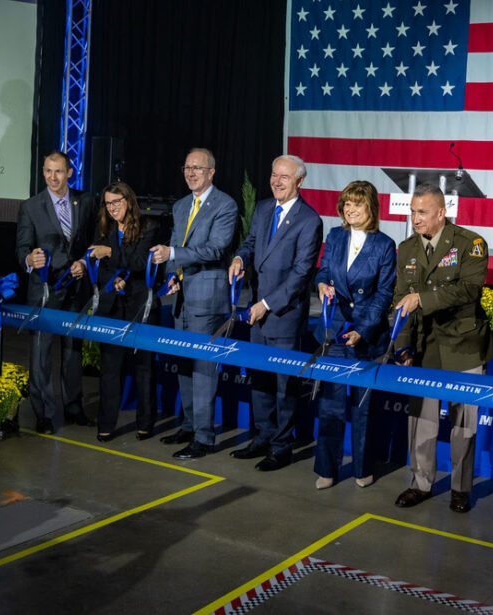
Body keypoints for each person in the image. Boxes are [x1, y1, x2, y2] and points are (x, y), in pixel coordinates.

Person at [392, 184, 492, 513]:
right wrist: (403, 345)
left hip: (463, 345)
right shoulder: (406, 248)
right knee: (421, 419)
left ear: (440, 213)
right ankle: (420, 483)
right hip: (424, 346)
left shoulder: (470, 244)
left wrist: (423, 298)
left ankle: (460, 488)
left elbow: (468, 290)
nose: (415, 218)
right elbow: (401, 303)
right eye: (412, 212)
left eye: (422, 212)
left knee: (465, 422)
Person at [227, 154, 322, 471]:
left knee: (284, 386)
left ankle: (282, 447)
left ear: (299, 181)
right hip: (257, 314)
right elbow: (251, 243)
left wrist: (266, 305)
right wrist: (240, 258)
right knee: (260, 381)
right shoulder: (265, 209)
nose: (276, 181)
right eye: (273, 174)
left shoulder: (310, 221)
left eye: (284, 176)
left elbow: (301, 275)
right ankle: (262, 438)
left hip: (282, 315)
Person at [149, 148, 238, 459]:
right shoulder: (181, 205)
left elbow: (215, 249)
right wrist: (174, 274)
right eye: (187, 167)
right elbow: (177, 242)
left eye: (197, 168)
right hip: (182, 299)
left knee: (203, 370)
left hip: (207, 300)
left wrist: (173, 256)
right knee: (183, 366)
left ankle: (204, 437)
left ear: (211, 172)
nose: (191, 173)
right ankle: (188, 425)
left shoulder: (225, 205)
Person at [313, 181, 396, 490]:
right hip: (335, 330)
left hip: (366, 333)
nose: (350, 209)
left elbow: (384, 294)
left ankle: (362, 468)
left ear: (370, 208)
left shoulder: (384, 245)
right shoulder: (335, 236)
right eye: (347, 203)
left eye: (357, 204)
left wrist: (363, 330)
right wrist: (321, 285)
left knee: (363, 408)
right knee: (331, 404)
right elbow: (322, 271)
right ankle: (327, 469)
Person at [15, 151, 96, 434]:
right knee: (41, 355)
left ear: (70, 173)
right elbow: (22, 248)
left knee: (73, 352)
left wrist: (85, 263)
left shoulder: (86, 202)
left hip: (77, 289)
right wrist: (29, 259)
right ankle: (44, 414)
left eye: (58, 171)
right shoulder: (30, 206)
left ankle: (74, 407)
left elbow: (92, 242)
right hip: (45, 291)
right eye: (47, 171)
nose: (52, 177)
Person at [87, 181, 160, 442]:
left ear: (128, 201)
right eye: (108, 203)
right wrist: (112, 278)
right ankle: (105, 424)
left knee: (144, 368)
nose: (113, 208)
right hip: (112, 305)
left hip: (140, 305)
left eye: (117, 202)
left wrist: (110, 255)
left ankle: (146, 423)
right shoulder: (103, 228)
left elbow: (140, 262)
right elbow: (96, 262)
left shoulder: (148, 227)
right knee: (110, 368)